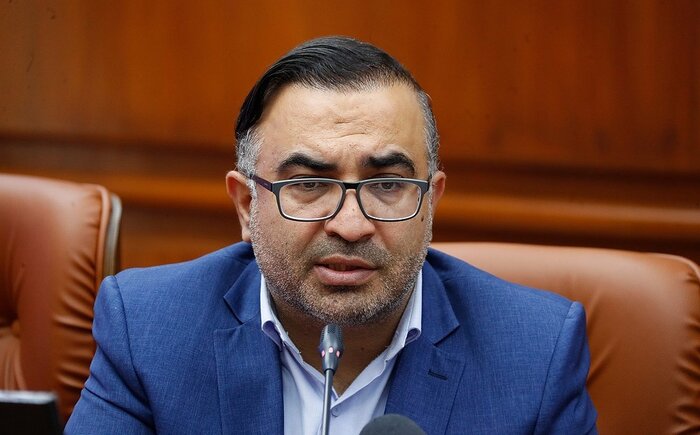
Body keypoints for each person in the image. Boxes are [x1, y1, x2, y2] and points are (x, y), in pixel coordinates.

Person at [66, 36, 597, 434]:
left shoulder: (536, 355)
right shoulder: (148, 330)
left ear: (430, 203)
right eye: (309, 184)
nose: (350, 225)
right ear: (247, 206)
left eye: (387, 185)